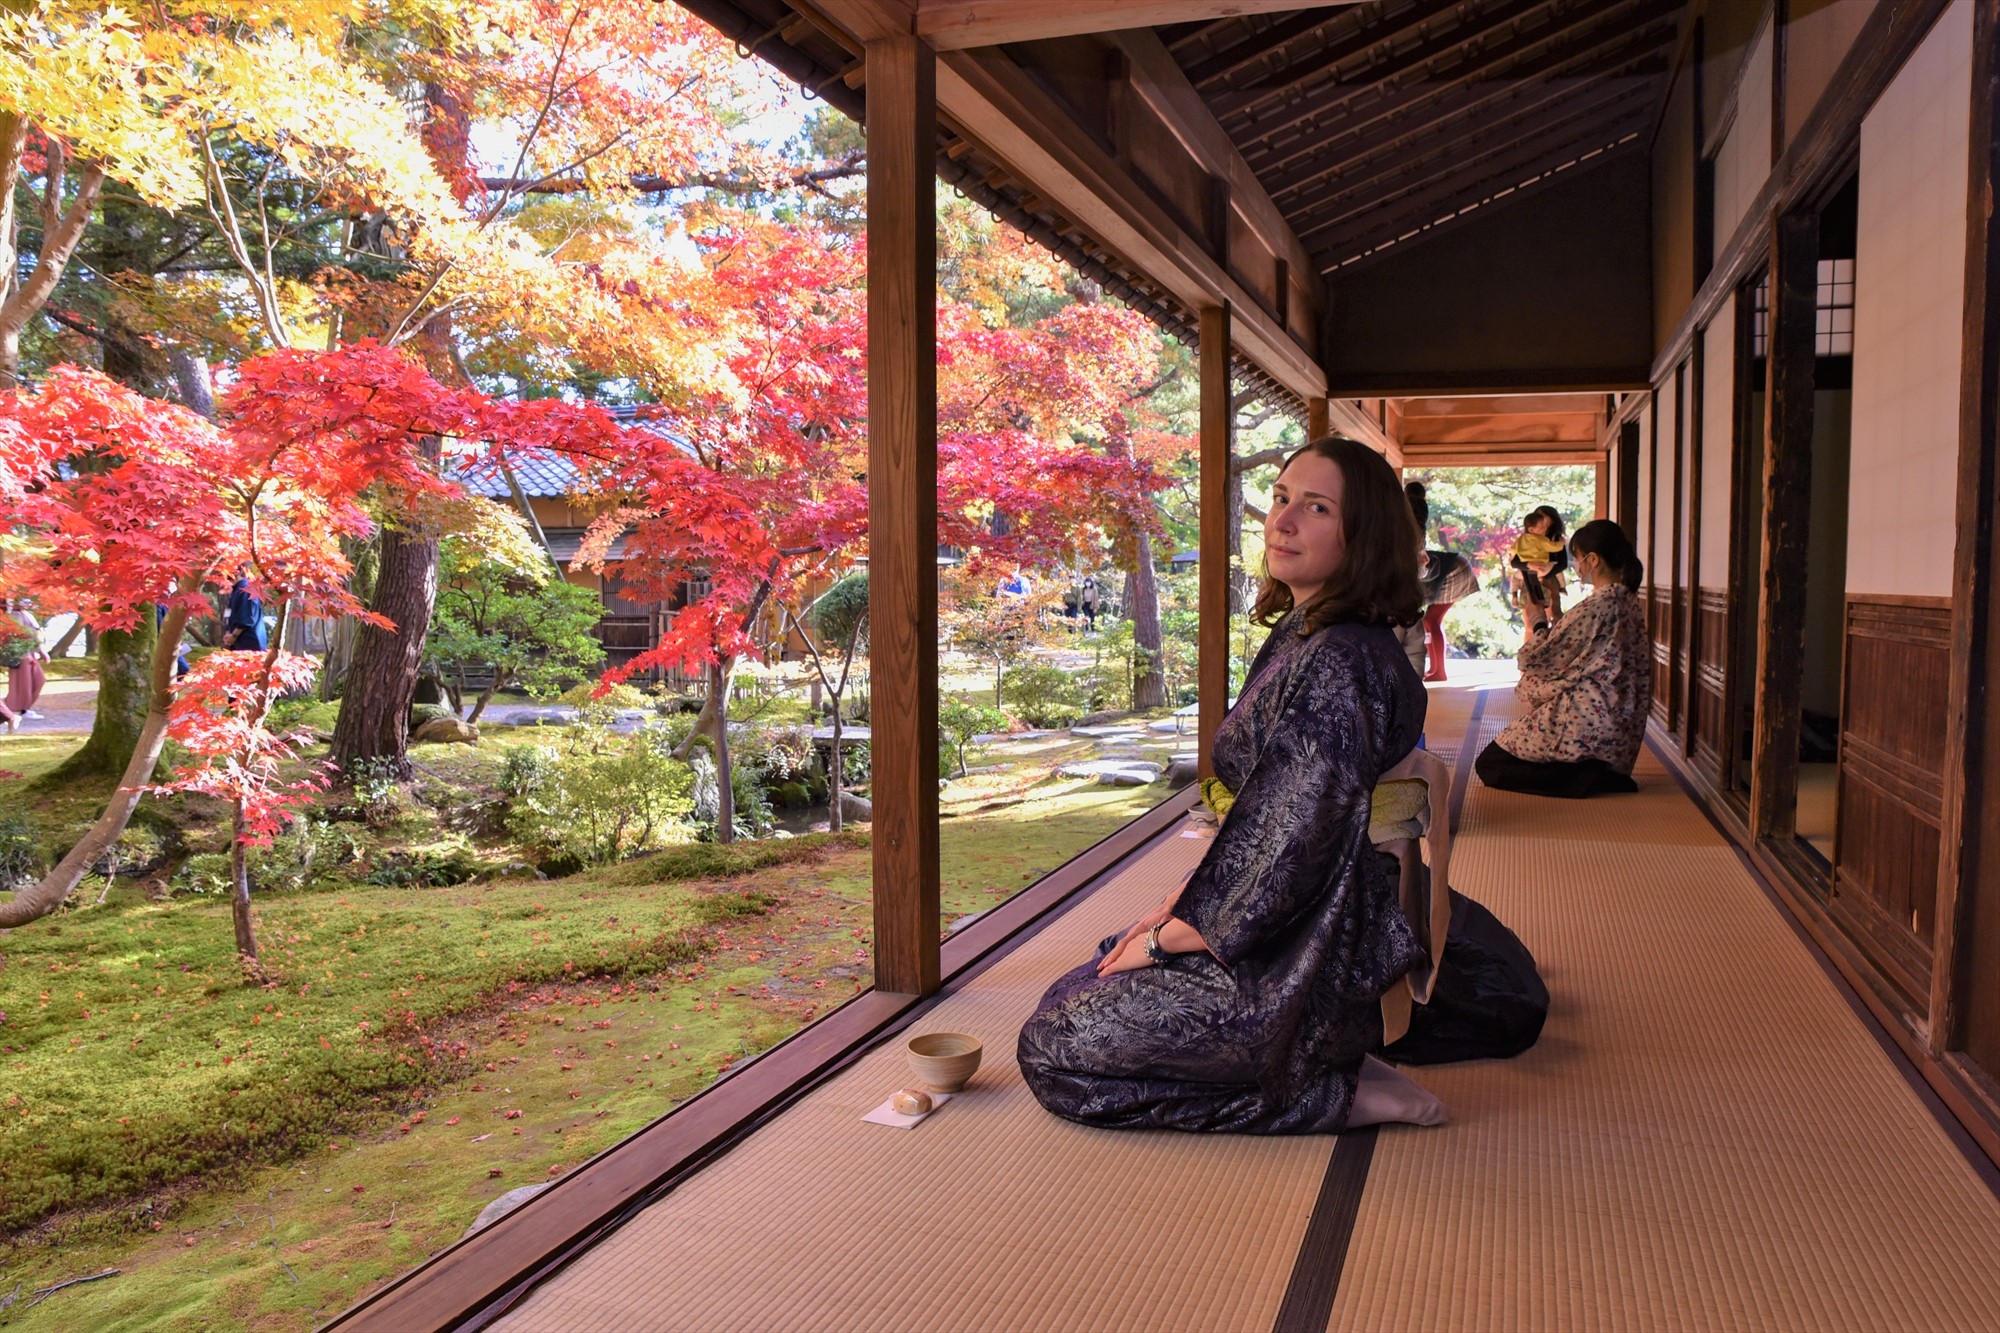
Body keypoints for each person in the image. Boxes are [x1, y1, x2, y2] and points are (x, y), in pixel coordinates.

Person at [1017, 436, 1447, 1133]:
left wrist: (1170, 936)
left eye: (1315, 507)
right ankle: (1315, 1065)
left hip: (1306, 951)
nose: (1282, 520)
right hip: (1274, 919)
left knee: (1052, 1051)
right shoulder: (1307, 632)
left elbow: (1293, 837)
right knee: (1082, 983)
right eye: (1281, 499)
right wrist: (1171, 909)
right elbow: (1266, 816)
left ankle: (1333, 1088)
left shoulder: (1343, 661)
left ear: (1362, 533)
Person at [1476, 519, 1651, 799]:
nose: (1577, 566)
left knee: (1490, 764)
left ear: (1593, 560)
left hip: (1588, 719)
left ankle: (1587, 776)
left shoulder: (1600, 604)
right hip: (1617, 724)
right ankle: (1596, 772)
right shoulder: (1624, 600)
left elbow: (1539, 659)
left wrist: (1537, 619)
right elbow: (1580, 649)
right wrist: (1556, 613)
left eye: (1579, 559)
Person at [1406, 482, 1479, 682]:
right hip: (1453, 566)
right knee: (1429, 621)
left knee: (1431, 621)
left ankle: (1439, 671)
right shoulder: (1414, 536)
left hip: (1454, 570)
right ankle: (1436, 669)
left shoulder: (1411, 541)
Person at [1511, 506, 1568, 632]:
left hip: (1548, 582)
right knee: (1529, 625)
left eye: (1545, 517)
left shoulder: (1556, 539)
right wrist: (1529, 565)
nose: (1543, 521)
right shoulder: (1526, 539)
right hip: (1529, 580)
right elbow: (1515, 562)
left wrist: (1544, 574)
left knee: (1550, 622)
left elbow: (1562, 564)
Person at [2, 598, 47, 734]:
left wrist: (41, 651)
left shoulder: (27, 615)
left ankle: (18, 709)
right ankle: (18, 710)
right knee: (23, 683)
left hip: (29, 652)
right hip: (20, 653)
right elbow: (16, 635)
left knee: (38, 680)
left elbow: (34, 635)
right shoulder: (14, 616)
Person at [222, 577, 266, 652]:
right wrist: (228, 632)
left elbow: (246, 618)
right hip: (238, 642)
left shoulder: (246, 589)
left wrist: (233, 635)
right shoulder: (236, 590)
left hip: (249, 643)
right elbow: (229, 613)